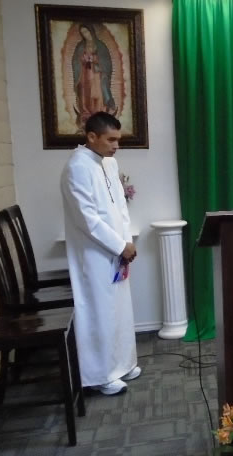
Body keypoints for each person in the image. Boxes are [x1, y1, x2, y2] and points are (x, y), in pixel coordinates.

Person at [61, 111, 140, 395]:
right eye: (111, 139)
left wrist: (126, 241)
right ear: (91, 136)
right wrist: (120, 246)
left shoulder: (108, 162)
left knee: (119, 308)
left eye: (118, 139)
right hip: (93, 252)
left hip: (117, 248)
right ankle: (100, 375)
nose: (116, 145)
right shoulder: (77, 167)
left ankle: (122, 363)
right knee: (98, 310)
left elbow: (120, 206)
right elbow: (88, 219)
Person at [73, 23, 116, 130]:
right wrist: (82, 60)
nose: (85, 34)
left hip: (97, 74)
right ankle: (86, 115)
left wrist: (95, 60)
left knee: (97, 93)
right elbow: (75, 61)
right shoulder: (80, 46)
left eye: (86, 31)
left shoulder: (100, 45)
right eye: (82, 33)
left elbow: (106, 61)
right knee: (85, 92)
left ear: (91, 31)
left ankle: (99, 114)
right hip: (84, 74)